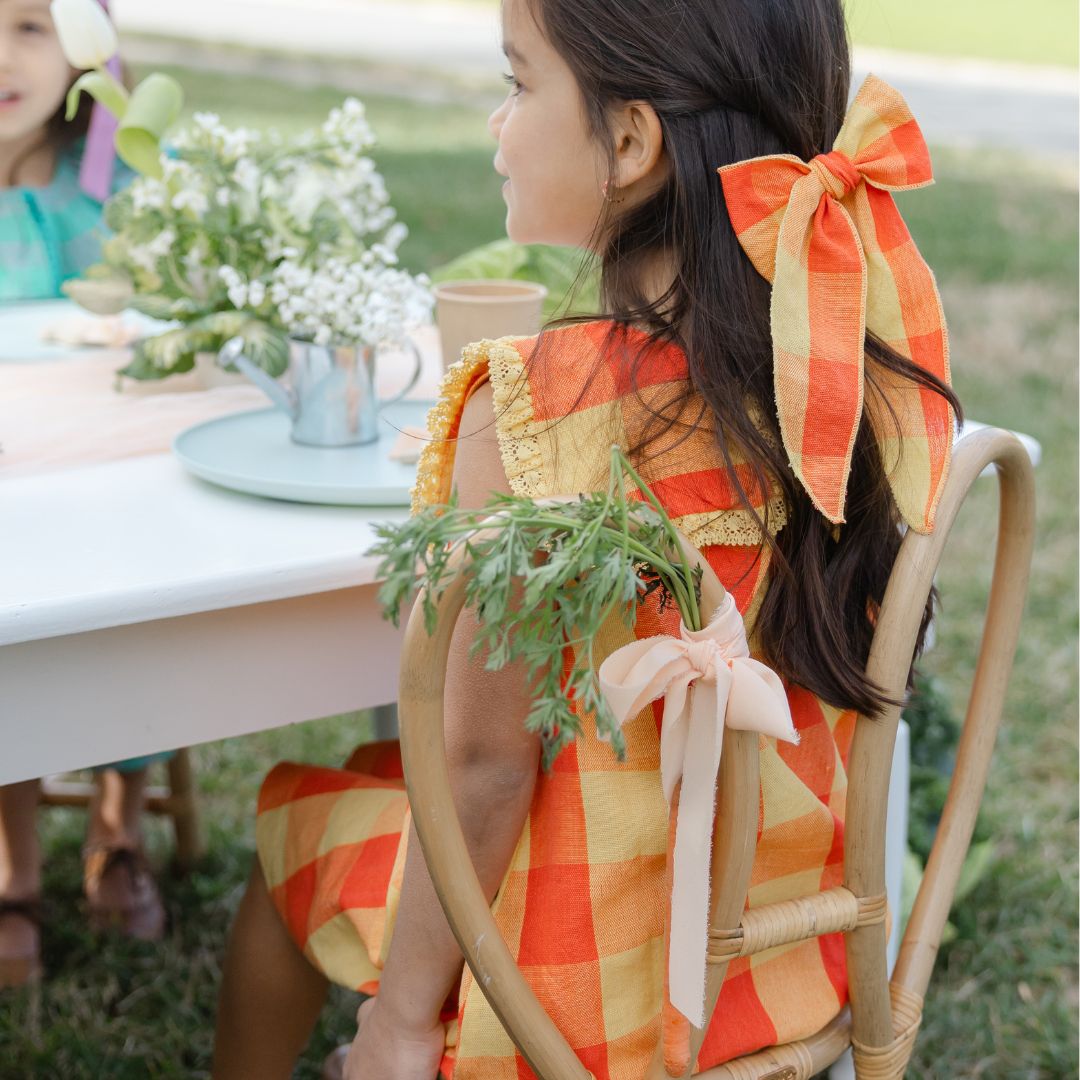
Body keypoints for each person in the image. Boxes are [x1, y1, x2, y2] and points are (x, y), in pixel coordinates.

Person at [212, 0, 959, 1076]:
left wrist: (400, 1024)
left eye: (517, 84)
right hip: (788, 948)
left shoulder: (533, 412)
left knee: (295, 819)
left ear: (630, 141)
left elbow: (481, 770)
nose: (496, 122)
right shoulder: (851, 370)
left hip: (579, 991)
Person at [0, 0, 167, 989]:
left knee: (142, 590)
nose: (2, 56)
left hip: (106, 466)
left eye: (29, 24)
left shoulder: (110, 161)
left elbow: (171, 298)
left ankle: (121, 820)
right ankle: (14, 860)